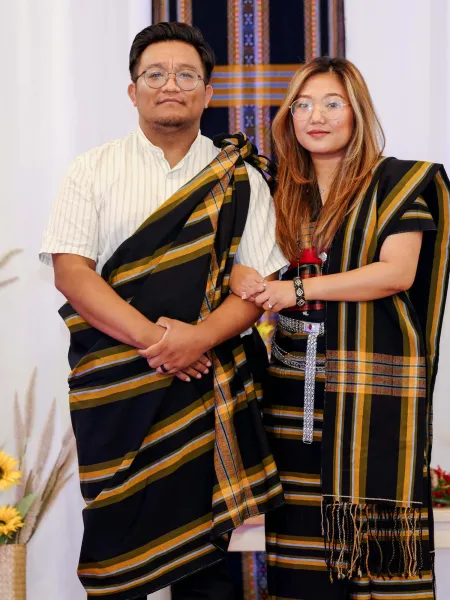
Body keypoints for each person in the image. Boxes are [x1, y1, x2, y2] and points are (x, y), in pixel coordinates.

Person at [39, 22, 288, 600]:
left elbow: (256, 288)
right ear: (133, 91)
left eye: (185, 75)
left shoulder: (242, 178)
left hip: (203, 384)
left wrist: (197, 340)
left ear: (208, 91)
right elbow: (72, 273)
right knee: (116, 542)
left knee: (206, 556)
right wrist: (162, 342)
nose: (170, 85)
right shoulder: (91, 169)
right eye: (155, 74)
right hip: (115, 387)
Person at [230, 56, 450, 600]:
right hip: (290, 389)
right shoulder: (276, 189)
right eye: (302, 105)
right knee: (299, 550)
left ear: (357, 112)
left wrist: (298, 291)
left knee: (377, 548)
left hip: (370, 391)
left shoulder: (399, 183)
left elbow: (396, 273)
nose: (316, 116)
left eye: (332, 103)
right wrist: (243, 277)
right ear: (289, 117)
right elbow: (234, 261)